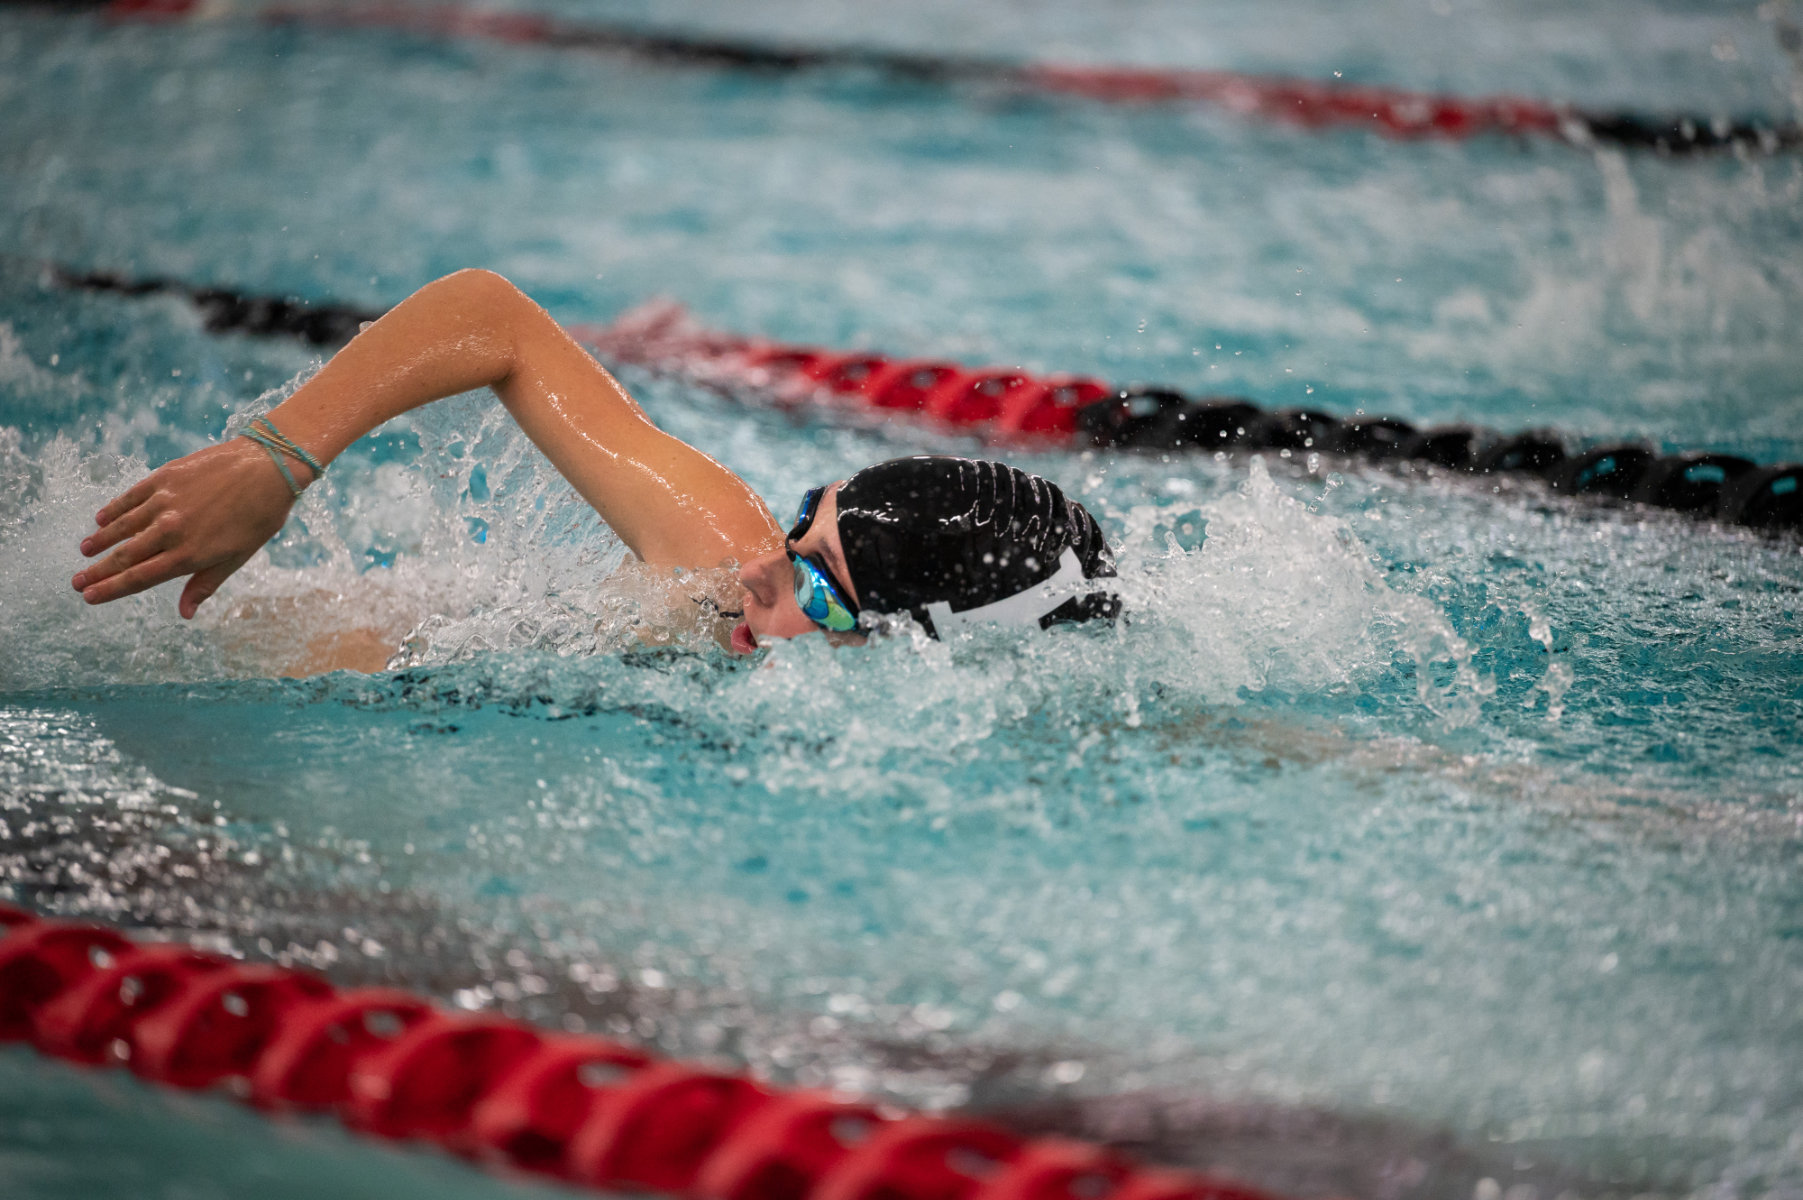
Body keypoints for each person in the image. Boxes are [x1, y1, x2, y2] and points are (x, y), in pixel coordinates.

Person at [70, 269, 1118, 662]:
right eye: (803, 527)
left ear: (915, 650)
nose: (762, 569)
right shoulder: (716, 558)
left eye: (816, 585)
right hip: (166, 624)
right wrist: (277, 458)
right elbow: (492, 317)